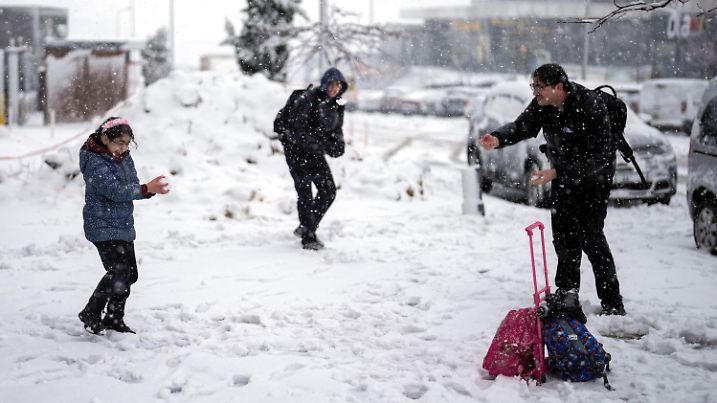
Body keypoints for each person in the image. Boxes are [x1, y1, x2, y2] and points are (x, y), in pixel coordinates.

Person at [479, 63, 626, 316]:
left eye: (539, 87)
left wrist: (556, 172)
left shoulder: (590, 106)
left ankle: (613, 302)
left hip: (594, 179)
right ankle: (567, 292)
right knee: (564, 235)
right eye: (533, 86)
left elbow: (599, 157)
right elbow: (522, 126)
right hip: (563, 176)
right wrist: (498, 138)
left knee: (591, 237)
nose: (535, 92)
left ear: (559, 87)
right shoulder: (543, 105)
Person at [77, 117, 170, 334]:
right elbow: (115, 191)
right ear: (104, 137)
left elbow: (130, 185)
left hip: (122, 224)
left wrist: (148, 190)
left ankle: (114, 317)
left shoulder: (124, 157)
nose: (124, 148)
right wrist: (145, 188)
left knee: (129, 274)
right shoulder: (95, 161)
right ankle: (91, 311)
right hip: (102, 224)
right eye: (119, 142)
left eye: (128, 143)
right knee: (118, 271)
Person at [282, 67, 347, 250]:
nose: (334, 89)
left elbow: (336, 131)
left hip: (315, 153)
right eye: (332, 85)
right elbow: (297, 130)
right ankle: (309, 237)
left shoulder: (337, 106)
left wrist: (337, 146)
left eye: (338, 85)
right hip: (295, 151)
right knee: (305, 192)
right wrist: (318, 144)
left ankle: (307, 226)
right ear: (325, 84)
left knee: (328, 191)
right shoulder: (308, 99)